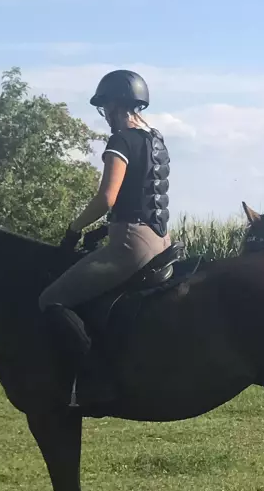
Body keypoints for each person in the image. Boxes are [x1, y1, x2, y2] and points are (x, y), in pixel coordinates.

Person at [37, 69, 173, 406]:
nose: (106, 115)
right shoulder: (156, 140)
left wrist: (74, 228)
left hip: (131, 245)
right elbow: (143, 197)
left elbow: (106, 198)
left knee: (51, 300)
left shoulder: (121, 140)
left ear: (116, 105)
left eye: (106, 107)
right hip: (161, 240)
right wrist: (106, 228)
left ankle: (90, 382)